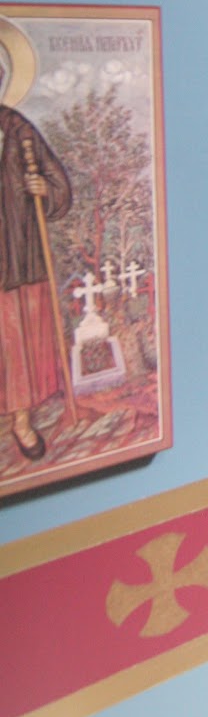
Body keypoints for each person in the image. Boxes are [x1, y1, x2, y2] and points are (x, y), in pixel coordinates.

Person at [0, 40, 72, 463]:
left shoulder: (18, 130)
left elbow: (59, 183)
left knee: (15, 342)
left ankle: (20, 419)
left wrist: (45, 188)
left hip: (16, 256)